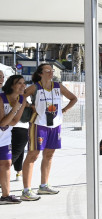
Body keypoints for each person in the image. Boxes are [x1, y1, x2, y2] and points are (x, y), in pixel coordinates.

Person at [21, 63, 78, 201]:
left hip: (55, 124)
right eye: (48, 70)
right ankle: (26, 190)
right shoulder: (35, 87)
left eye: (52, 70)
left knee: (49, 154)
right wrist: (29, 105)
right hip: (38, 124)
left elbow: (74, 98)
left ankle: (43, 185)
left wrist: (64, 110)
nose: (51, 72)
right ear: (40, 73)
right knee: (33, 155)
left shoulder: (58, 86)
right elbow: (20, 97)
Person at [1, 74, 27, 204]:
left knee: (6, 164)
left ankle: (5, 196)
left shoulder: (22, 99)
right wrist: (15, 108)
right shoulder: (1, 98)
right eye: (19, 83)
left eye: (24, 83)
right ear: (12, 85)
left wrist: (9, 117)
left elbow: (14, 121)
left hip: (4, 137)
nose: (23, 86)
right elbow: (2, 123)